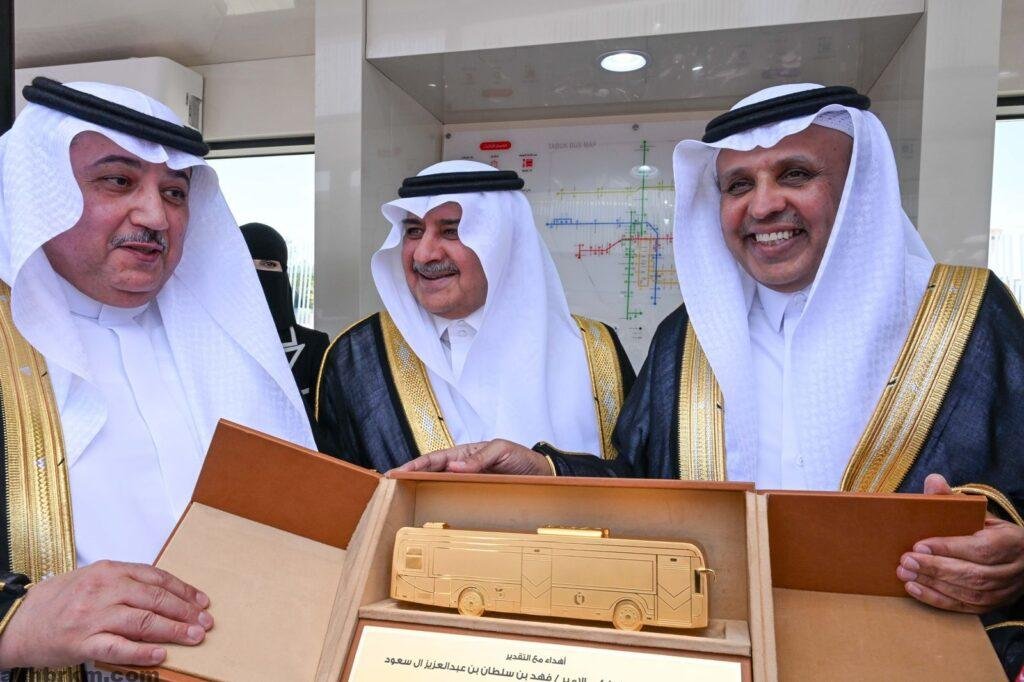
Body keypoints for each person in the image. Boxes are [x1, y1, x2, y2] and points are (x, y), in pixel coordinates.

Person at [400, 85, 1024, 675]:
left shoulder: (967, 316)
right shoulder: (686, 336)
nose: (763, 205)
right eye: (738, 185)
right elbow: (647, 486)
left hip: (906, 661)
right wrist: (547, 469)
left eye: (795, 174)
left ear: (857, 186)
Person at [0, 78, 314, 677]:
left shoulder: (220, 338)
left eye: (174, 193)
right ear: (39, 191)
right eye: (117, 181)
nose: (156, 216)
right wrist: (14, 623)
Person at [315, 160, 635, 471]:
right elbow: (333, 490)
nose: (425, 254)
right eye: (413, 231)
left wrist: (549, 467)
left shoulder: (595, 351)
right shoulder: (356, 356)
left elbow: (637, 478)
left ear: (501, 242)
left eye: (451, 232)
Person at [241, 222, 329, 425]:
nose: (259, 271)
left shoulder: (314, 346)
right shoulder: (213, 342)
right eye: (247, 263)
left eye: (269, 264)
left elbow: (326, 425)